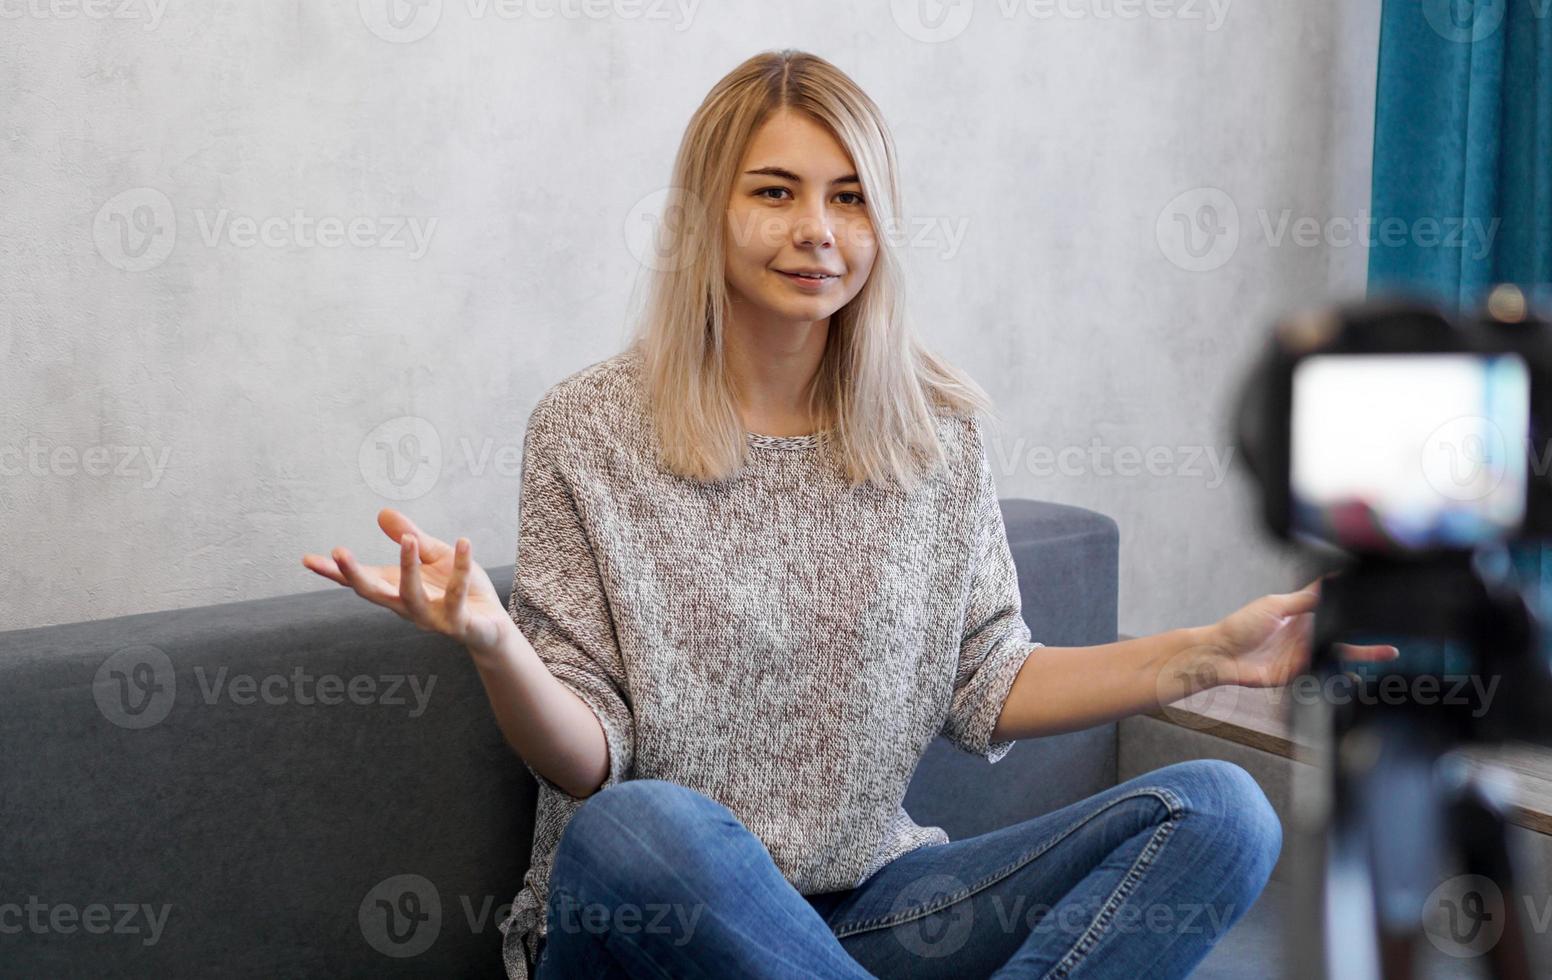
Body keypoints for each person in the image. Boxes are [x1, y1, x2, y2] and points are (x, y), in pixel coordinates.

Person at [301, 48, 1397, 980]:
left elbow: (988, 674)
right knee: (644, 818)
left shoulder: (934, 429)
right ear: (705, 214)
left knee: (1221, 809)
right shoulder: (587, 428)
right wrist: (497, 640)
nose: (816, 229)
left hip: (872, 903)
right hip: (650, 913)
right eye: (773, 191)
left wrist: (1203, 652)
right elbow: (586, 758)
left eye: (849, 195)